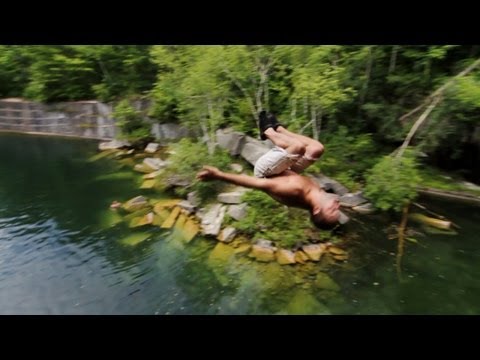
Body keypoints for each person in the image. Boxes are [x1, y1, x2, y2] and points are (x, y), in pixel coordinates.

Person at [196, 111, 346, 230]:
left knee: (298, 147)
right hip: (287, 171)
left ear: (317, 210)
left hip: (265, 172)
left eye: (332, 210)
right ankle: (279, 128)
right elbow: (329, 202)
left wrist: (220, 175)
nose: (337, 205)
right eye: (337, 210)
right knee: (316, 149)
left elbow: (256, 184)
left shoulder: (294, 190)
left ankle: (267, 131)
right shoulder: (319, 195)